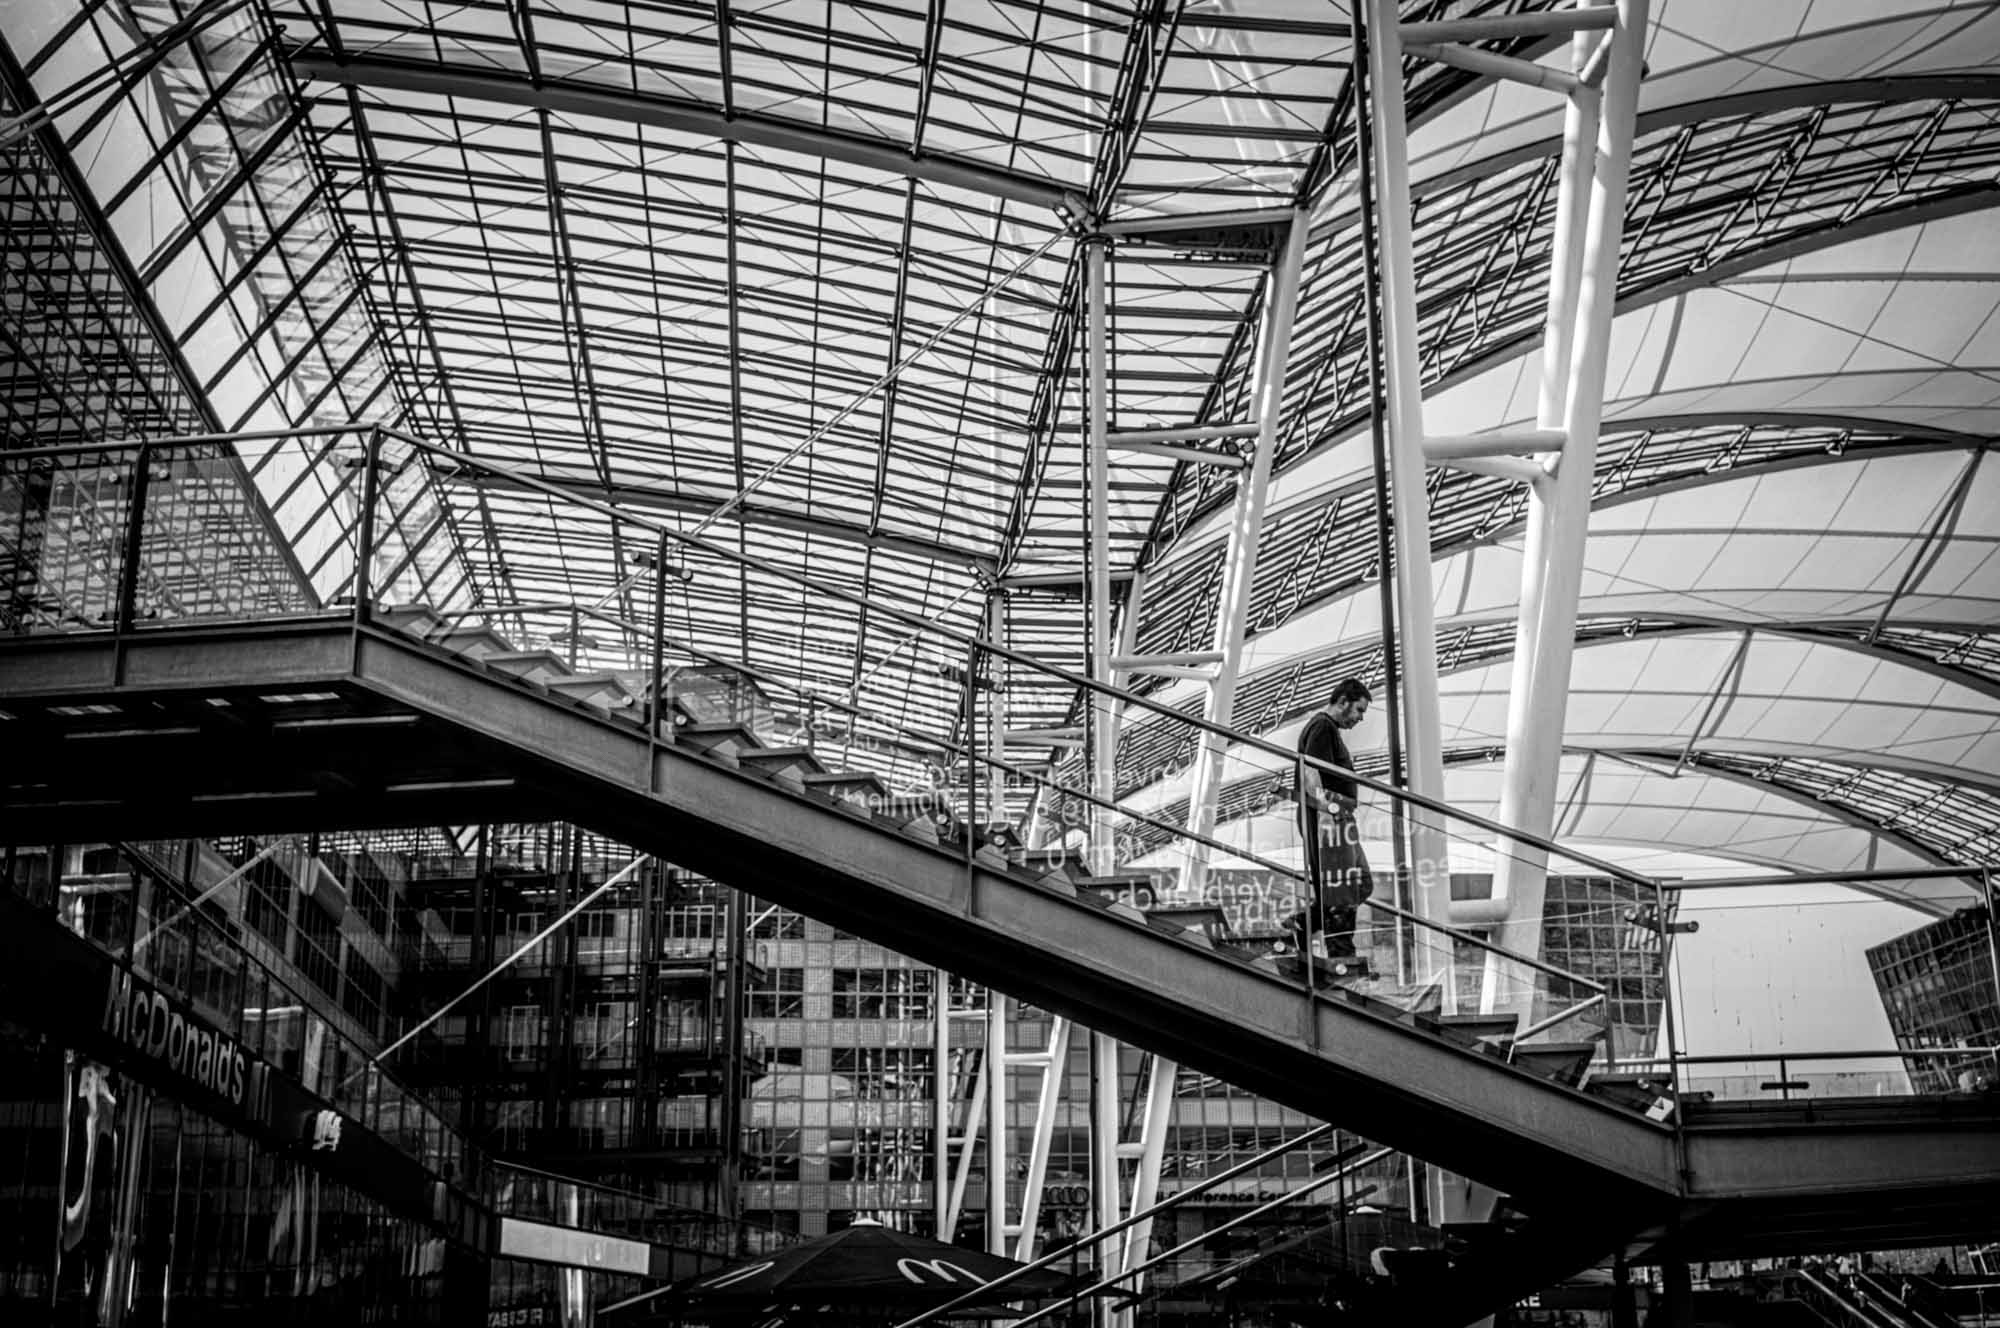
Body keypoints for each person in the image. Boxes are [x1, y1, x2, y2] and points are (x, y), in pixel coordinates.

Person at [1288, 679, 1373, 959]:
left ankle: (1304, 923)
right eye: (1358, 710)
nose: (1360, 718)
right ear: (1344, 701)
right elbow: (1314, 777)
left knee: (1361, 883)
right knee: (1341, 888)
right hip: (1329, 819)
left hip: (1336, 818)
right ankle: (1340, 953)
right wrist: (1329, 816)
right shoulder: (1322, 727)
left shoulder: (1327, 730)